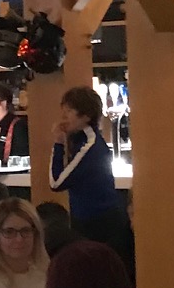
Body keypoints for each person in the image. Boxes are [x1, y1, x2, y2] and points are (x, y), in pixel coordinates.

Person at [48, 86, 131, 267]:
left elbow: (56, 183)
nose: (64, 117)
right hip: (87, 221)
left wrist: (58, 144)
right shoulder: (80, 139)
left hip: (101, 225)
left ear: (85, 116)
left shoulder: (90, 146)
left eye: (69, 112)